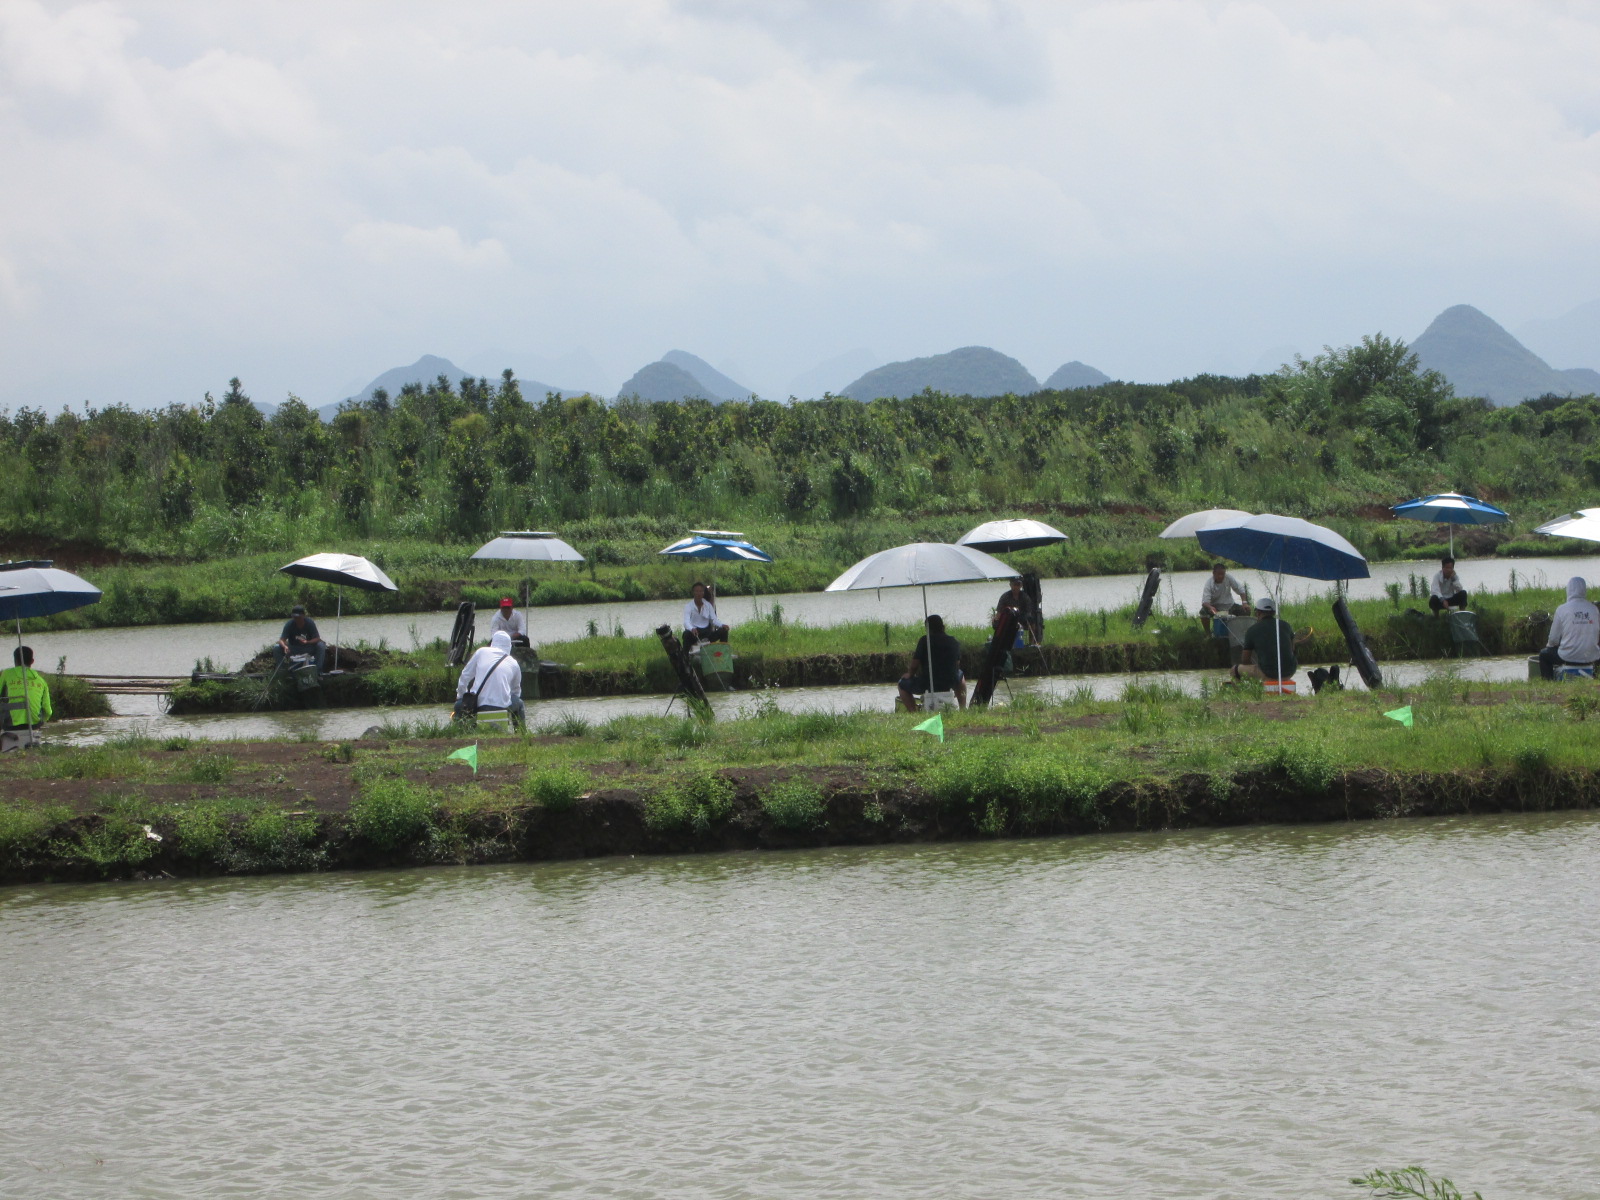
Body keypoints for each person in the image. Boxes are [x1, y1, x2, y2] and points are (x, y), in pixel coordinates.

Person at [1231, 596, 1309, 685]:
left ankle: (1244, 693)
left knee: (1234, 670)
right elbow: (1292, 649)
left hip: (1269, 674)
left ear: (1258, 612)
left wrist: (1255, 669)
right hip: (1290, 671)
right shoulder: (1286, 625)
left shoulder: (1252, 630)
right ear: (1273, 612)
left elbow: (1245, 660)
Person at [898, 614, 967, 712]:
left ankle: (913, 712)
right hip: (949, 682)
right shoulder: (953, 641)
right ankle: (963, 708)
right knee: (961, 676)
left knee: (901, 684)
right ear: (943, 627)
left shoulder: (924, 641)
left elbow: (914, 665)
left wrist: (910, 674)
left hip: (927, 683)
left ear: (928, 629)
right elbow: (957, 664)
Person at [454, 629, 524, 725]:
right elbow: (516, 691)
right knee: (519, 703)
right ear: (509, 646)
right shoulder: (514, 663)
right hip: (503, 707)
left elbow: (465, 676)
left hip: (477, 706)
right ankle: (520, 734)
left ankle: (459, 735)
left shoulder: (481, 652)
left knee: (458, 706)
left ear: (493, 643)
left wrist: (461, 696)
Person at [1539, 576, 1600, 680]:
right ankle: (1596, 676)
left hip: (1567, 657)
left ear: (1569, 590)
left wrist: (1550, 646)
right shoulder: (1594, 609)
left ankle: (1548, 683)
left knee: (1544, 655)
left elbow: (1553, 640)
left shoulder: (1562, 609)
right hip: (1591, 656)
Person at [1, 646, 52, 733]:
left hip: (10, 724)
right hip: (34, 725)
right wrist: (42, 721)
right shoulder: (41, 681)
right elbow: (47, 711)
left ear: (15, 660)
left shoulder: (7, 674)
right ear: (32, 661)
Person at [275, 605, 326, 673]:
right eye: (295, 617)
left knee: (321, 645)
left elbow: (317, 638)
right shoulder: (289, 624)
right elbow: (281, 640)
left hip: (308, 648)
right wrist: (285, 646)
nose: (297, 619)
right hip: (293, 649)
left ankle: (318, 671)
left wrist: (307, 642)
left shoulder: (309, 623)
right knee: (276, 647)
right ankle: (282, 671)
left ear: (303, 616)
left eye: (299, 617)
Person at [683, 582, 729, 649]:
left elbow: (714, 620)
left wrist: (722, 625)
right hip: (695, 633)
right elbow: (686, 622)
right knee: (686, 634)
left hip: (707, 633)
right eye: (697, 591)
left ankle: (722, 652)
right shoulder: (688, 606)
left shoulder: (708, 605)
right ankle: (685, 656)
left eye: (701, 591)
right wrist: (692, 629)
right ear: (693, 592)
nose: (699, 594)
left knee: (724, 630)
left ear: (703, 593)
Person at [996, 576, 1042, 643]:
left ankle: (1031, 642)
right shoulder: (1005, 596)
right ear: (1010, 585)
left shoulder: (1025, 596)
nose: (1016, 587)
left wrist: (1025, 618)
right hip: (1008, 617)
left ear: (1021, 586)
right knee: (998, 623)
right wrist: (996, 619)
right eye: (1014, 585)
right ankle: (1002, 642)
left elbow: (1029, 611)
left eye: (1018, 585)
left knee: (1031, 620)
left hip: (1021, 617)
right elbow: (999, 612)